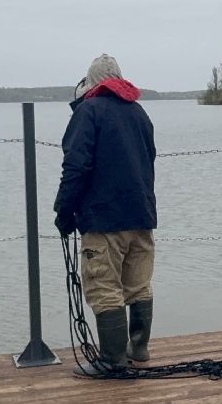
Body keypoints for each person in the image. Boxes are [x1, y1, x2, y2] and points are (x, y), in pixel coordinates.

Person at [54, 53, 158, 371]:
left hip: (104, 220)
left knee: (104, 287)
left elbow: (76, 166)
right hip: (142, 217)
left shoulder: (88, 112)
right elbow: (149, 160)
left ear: (92, 83)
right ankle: (138, 350)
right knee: (138, 285)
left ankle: (112, 361)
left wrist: (64, 211)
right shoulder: (140, 113)